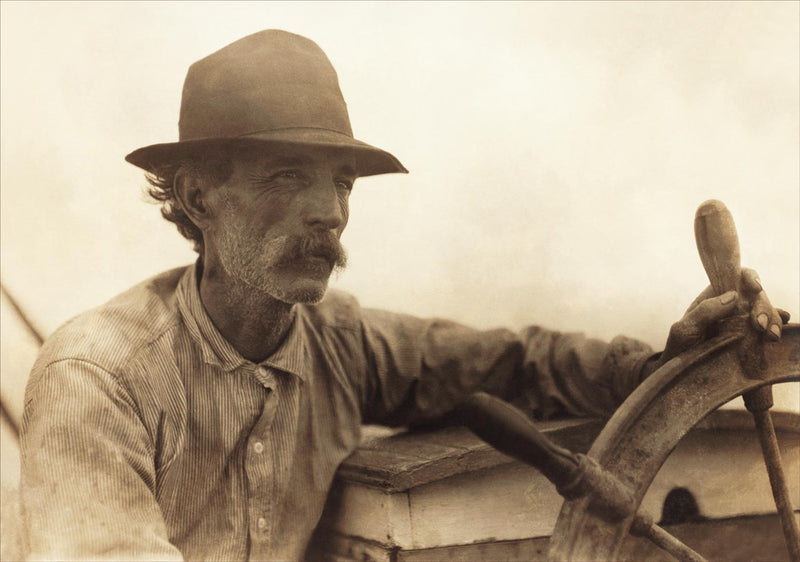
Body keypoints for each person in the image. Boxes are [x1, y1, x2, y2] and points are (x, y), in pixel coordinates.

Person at [19, 30, 787, 561]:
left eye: (342, 181)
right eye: (288, 176)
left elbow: (518, 366)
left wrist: (667, 362)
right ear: (196, 196)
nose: (330, 210)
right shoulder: (95, 380)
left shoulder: (339, 344)